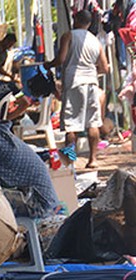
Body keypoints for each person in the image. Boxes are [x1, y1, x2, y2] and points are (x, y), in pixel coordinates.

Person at [44, 10, 109, 168]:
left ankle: (70, 161)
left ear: (75, 20)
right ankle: (93, 160)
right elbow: (105, 68)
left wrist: (48, 65)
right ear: (89, 23)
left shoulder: (69, 35)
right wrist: (92, 70)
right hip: (92, 84)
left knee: (71, 126)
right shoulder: (95, 41)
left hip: (74, 82)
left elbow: (61, 59)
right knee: (93, 123)